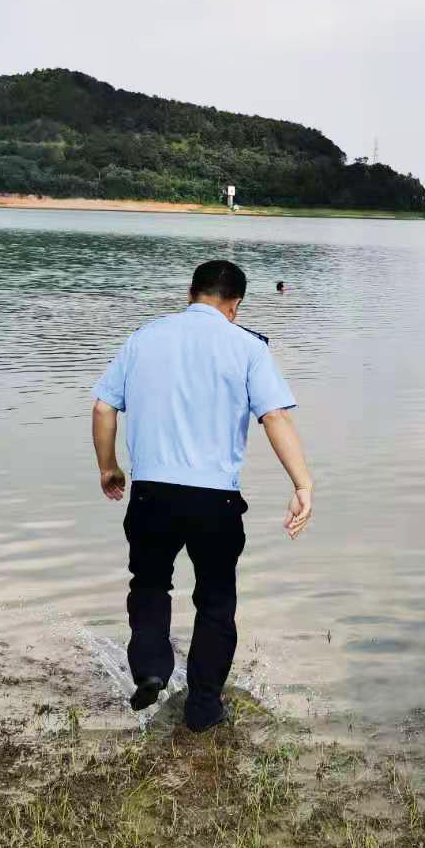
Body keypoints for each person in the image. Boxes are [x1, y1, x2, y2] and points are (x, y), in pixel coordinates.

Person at [91, 259, 313, 732]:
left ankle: (151, 668)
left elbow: (103, 406)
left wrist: (108, 466)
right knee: (215, 601)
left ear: (190, 293)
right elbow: (274, 418)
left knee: (150, 583)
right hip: (214, 501)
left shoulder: (144, 337)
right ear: (235, 305)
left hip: (151, 494)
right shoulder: (248, 347)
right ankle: (203, 707)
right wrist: (302, 484)